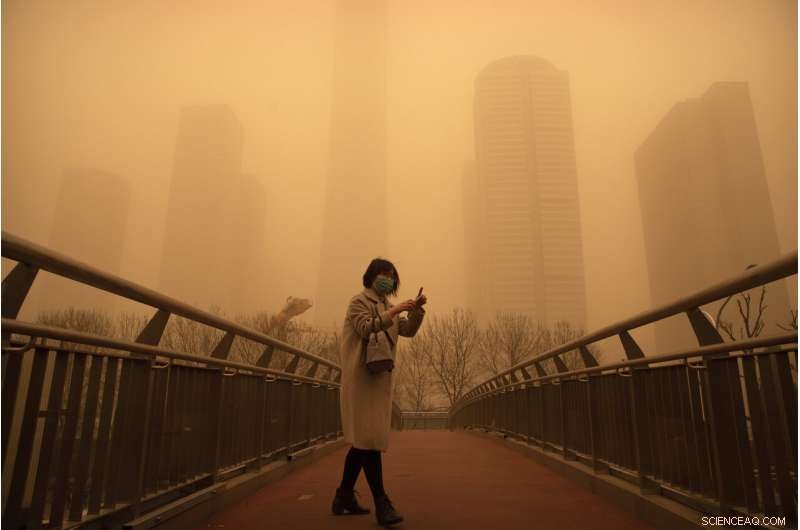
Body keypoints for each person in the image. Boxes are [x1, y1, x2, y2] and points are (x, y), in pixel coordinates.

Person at [331, 257, 427, 526]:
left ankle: (343, 496)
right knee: (369, 441)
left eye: (391, 275)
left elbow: (406, 331)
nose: (387, 279)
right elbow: (365, 327)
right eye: (382, 274)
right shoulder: (358, 302)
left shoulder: (387, 307)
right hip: (361, 381)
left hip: (379, 380)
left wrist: (415, 311)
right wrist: (395, 312)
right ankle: (382, 503)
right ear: (371, 276)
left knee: (364, 441)